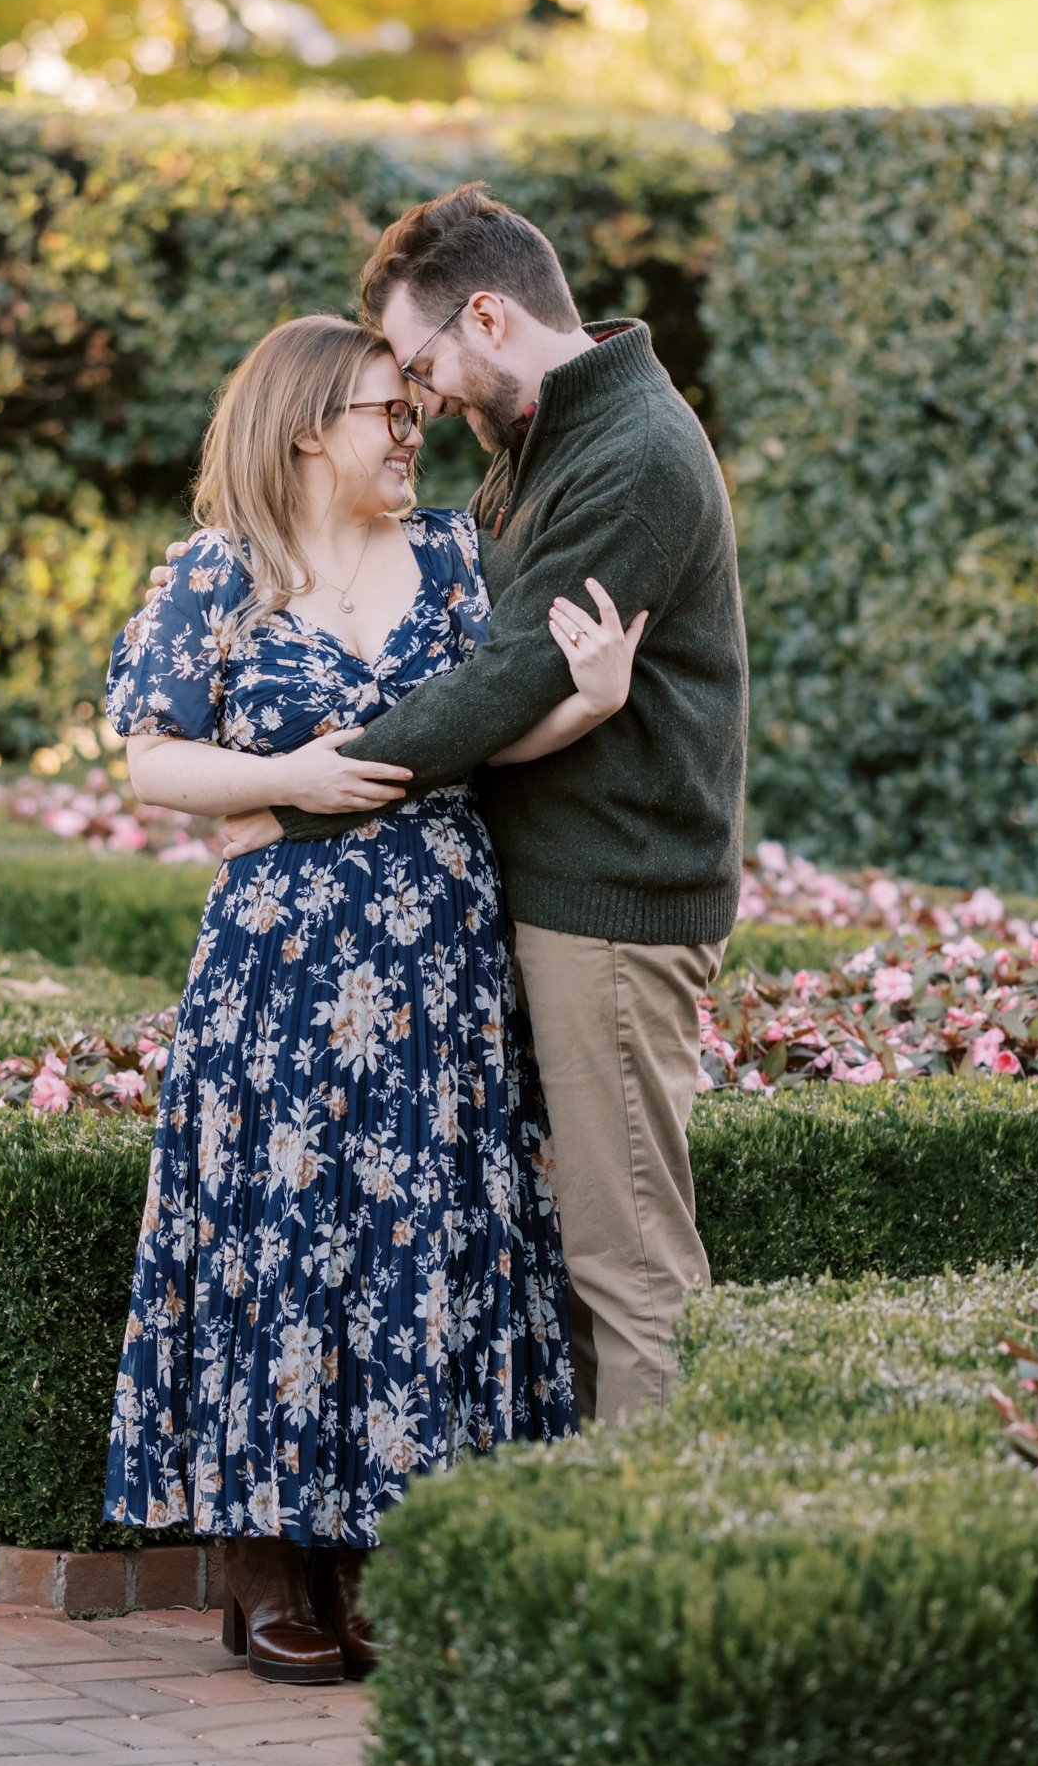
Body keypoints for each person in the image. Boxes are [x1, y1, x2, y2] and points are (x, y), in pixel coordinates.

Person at [104, 312, 644, 1684]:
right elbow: (153, 763)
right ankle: (277, 1561)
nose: (413, 431)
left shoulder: (463, 556)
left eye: (415, 412)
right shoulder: (216, 576)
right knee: (285, 1243)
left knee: (429, 1240)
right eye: (385, 414)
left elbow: (487, 729)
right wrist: (291, 780)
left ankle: (397, 1549)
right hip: (280, 966)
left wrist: (584, 709)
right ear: (303, 429)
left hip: (438, 959)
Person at [211, 185, 749, 1431]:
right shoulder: (551, 436)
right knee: (562, 1253)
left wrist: (293, 803)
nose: (421, 399)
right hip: (548, 885)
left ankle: (648, 1580)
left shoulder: (635, 459)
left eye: (422, 360)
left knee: (629, 1267)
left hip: (608, 902)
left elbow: (505, 676)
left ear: (491, 316)